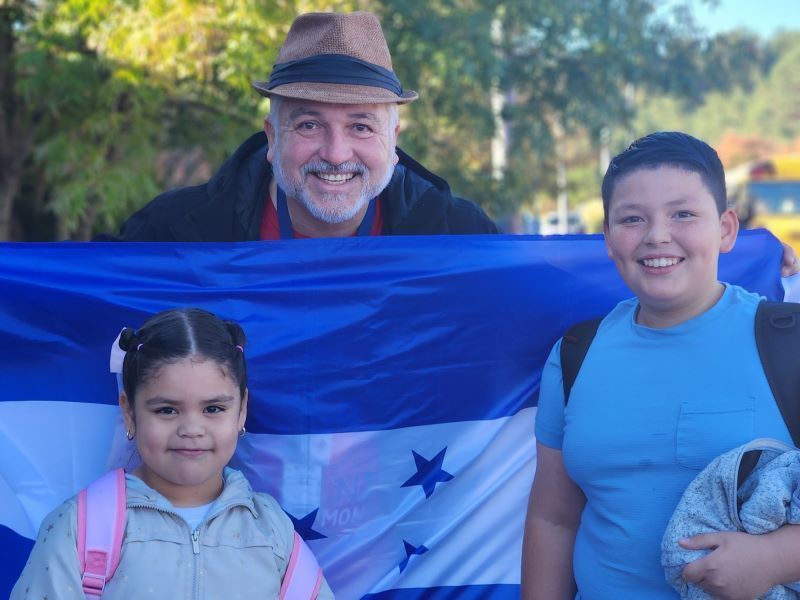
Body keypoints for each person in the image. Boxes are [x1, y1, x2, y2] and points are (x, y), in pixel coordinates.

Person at [520, 131, 800, 600]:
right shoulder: (575, 353)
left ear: (726, 228)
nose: (657, 236)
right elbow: (554, 517)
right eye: (632, 219)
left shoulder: (788, 342)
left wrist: (775, 558)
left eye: (683, 214)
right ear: (608, 239)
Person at [11, 307, 334, 599]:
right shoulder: (79, 526)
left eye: (213, 408)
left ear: (242, 410)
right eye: (167, 410)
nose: (191, 429)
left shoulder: (272, 530)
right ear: (129, 412)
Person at [110, 11, 498, 241]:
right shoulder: (176, 233)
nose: (335, 154)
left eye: (361, 127)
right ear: (273, 137)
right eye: (310, 124)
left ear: (392, 141)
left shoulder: (457, 234)